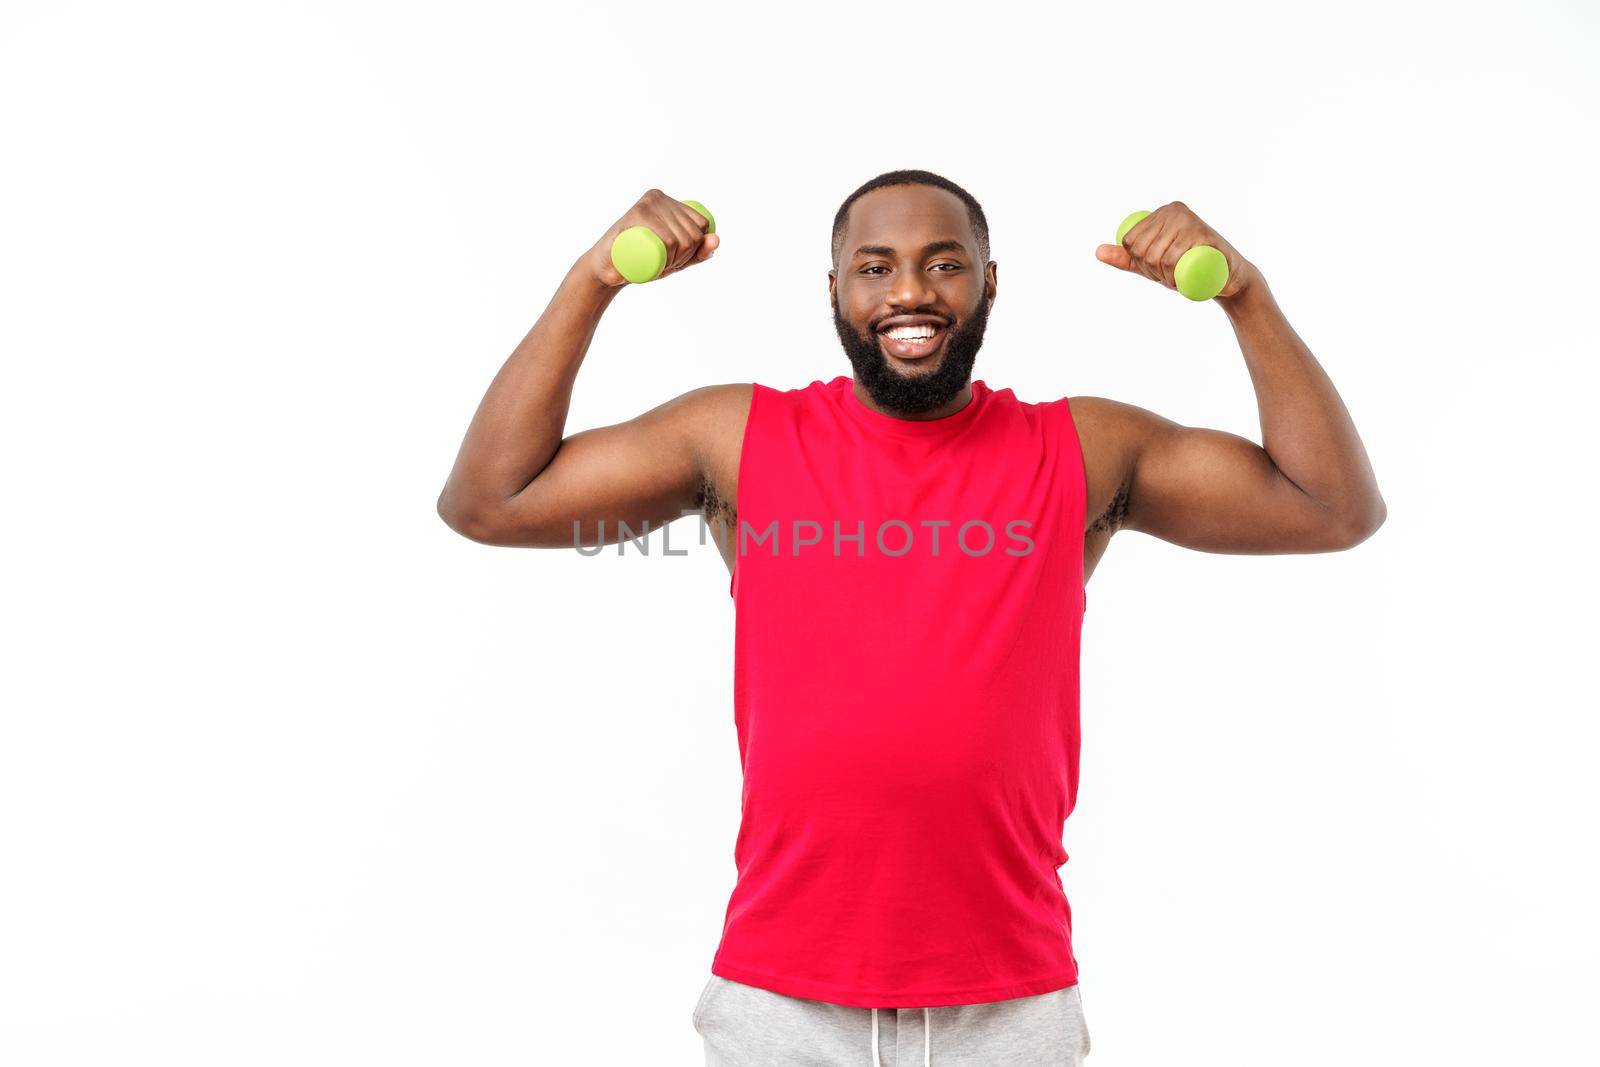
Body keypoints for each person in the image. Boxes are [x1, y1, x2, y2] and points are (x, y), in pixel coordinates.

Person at [436, 170, 1386, 1066]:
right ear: (837, 289)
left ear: (988, 283)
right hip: (786, 1001)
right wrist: (590, 281)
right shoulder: (736, 440)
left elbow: (1330, 508)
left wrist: (1245, 295)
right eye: (876, 267)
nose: (910, 292)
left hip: (1007, 1004)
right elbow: (491, 500)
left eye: (944, 262)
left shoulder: (1085, 450)